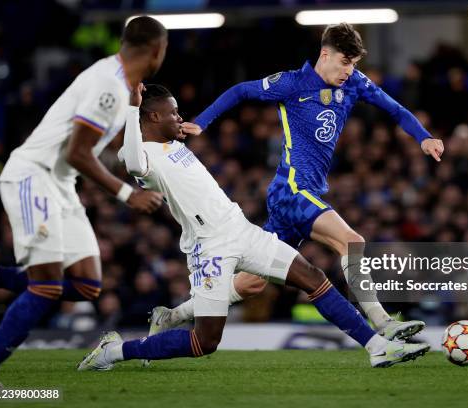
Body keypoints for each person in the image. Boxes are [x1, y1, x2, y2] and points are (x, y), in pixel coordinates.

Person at [76, 84, 430, 371]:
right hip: (209, 246)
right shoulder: (140, 157)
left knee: (313, 276)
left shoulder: (173, 145)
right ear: (152, 116)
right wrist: (131, 107)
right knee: (204, 342)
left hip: (241, 230)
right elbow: (133, 158)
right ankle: (115, 351)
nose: (179, 116)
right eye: (172, 112)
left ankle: (376, 346)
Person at [148, 23, 443, 341]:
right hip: (291, 190)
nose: (349, 71)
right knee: (351, 241)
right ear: (325, 54)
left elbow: (395, 109)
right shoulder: (292, 83)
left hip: (306, 194)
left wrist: (423, 138)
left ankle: (172, 315)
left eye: (354, 64)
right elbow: (241, 91)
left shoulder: (354, 83)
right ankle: (383, 322)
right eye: (345, 62)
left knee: (252, 283)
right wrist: (202, 122)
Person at [0, 16, 168, 387]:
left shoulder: (116, 79)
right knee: (47, 287)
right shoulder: (108, 88)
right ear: (156, 50)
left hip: (60, 184)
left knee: (87, 285)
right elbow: (77, 153)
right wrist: (126, 193)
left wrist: (134, 107)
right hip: (33, 176)